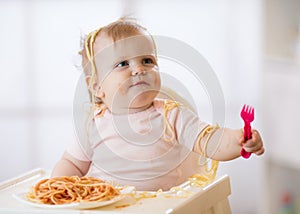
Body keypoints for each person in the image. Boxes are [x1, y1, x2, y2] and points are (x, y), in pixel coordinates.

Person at [51, 18, 264, 191]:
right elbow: (72, 164)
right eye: (123, 64)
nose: (139, 69)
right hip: (106, 205)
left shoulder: (171, 115)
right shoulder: (93, 125)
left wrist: (239, 140)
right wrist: (57, 187)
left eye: (147, 61)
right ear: (97, 87)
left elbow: (209, 140)